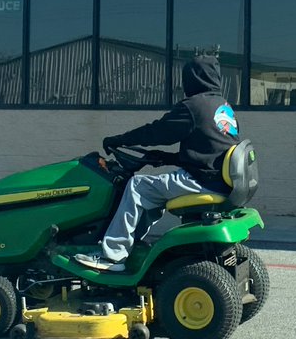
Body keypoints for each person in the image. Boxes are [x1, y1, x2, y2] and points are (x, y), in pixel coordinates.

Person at [74, 55, 239, 272]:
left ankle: (112, 256)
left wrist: (120, 139)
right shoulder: (222, 106)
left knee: (137, 187)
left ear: (193, 78)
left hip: (203, 180)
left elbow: (156, 132)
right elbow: (209, 150)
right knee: (153, 191)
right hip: (217, 178)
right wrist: (164, 157)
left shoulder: (194, 105)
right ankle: (131, 244)